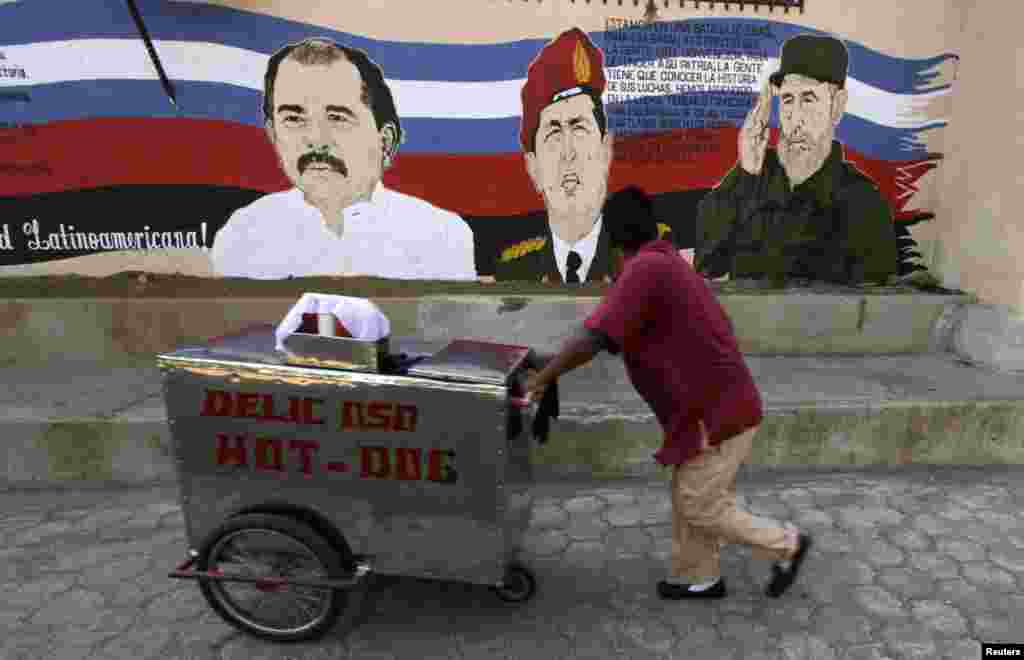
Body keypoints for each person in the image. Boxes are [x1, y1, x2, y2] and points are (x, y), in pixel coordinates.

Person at [525, 186, 812, 600]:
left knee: (698, 504)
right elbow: (607, 332)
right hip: (712, 405)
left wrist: (544, 377)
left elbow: (594, 337)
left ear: (612, 236)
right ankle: (701, 577)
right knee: (691, 492)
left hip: (715, 413)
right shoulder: (662, 263)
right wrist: (550, 366)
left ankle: (787, 544)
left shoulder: (647, 270)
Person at [211, 37, 479, 281]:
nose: (315, 138)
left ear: (384, 141)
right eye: (293, 118)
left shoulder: (441, 237)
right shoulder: (242, 235)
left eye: (337, 117)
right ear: (273, 134)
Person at [695, 34, 898, 286]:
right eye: (788, 100)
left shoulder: (862, 199)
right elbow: (707, 265)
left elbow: (876, 306)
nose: (795, 118)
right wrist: (746, 174)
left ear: (837, 106)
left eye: (809, 99)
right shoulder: (751, 175)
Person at [488, 28, 622, 284]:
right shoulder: (516, 271)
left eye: (579, 128)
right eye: (554, 133)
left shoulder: (637, 260)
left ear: (606, 151)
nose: (568, 152)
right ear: (533, 167)